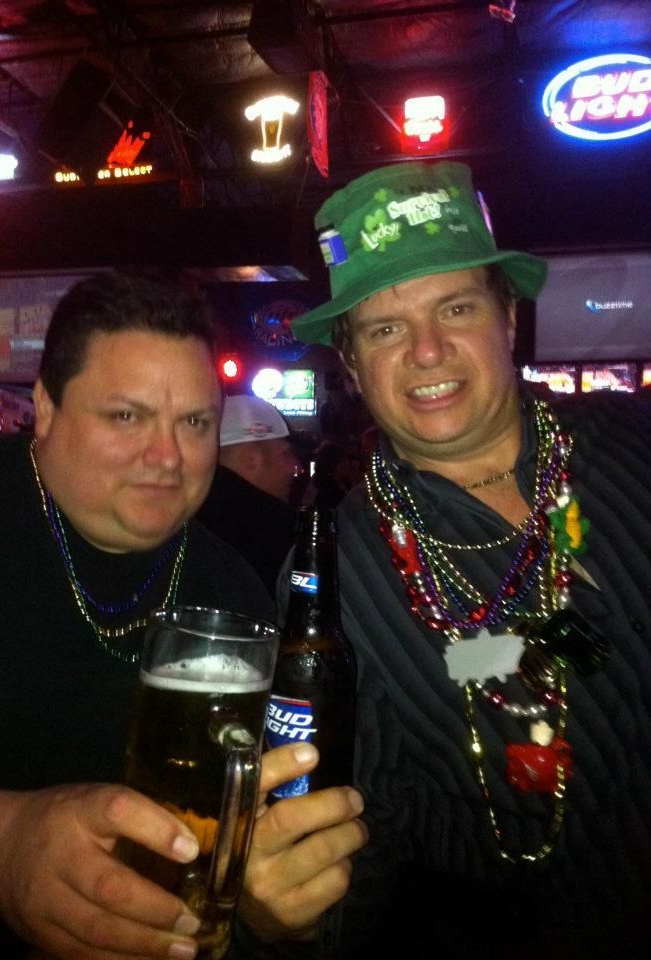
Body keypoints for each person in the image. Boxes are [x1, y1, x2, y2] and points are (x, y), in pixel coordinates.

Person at [233, 161, 651, 958]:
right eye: (384, 328)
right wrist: (289, 914)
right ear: (353, 367)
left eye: (454, 306)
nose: (426, 350)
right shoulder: (337, 581)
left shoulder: (632, 438)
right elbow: (356, 844)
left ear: (508, 320)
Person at [0, 273, 367, 959]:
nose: (168, 458)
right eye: (126, 416)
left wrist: (267, 899)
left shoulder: (234, 595)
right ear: (45, 408)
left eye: (194, 423)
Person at [196, 394, 298, 595]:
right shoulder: (277, 530)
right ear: (251, 458)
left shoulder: (183, 518)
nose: (295, 467)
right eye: (285, 454)